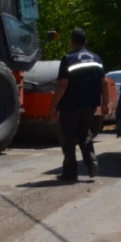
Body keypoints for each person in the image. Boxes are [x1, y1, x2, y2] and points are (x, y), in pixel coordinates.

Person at [49, 29, 110, 181]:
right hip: (90, 105)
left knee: (68, 137)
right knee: (85, 134)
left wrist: (54, 106)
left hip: (70, 105)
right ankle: (92, 162)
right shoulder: (96, 59)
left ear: (72, 41)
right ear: (85, 42)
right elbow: (104, 83)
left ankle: (70, 172)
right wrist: (105, 104)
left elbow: (63, 84)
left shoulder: (68, 59)